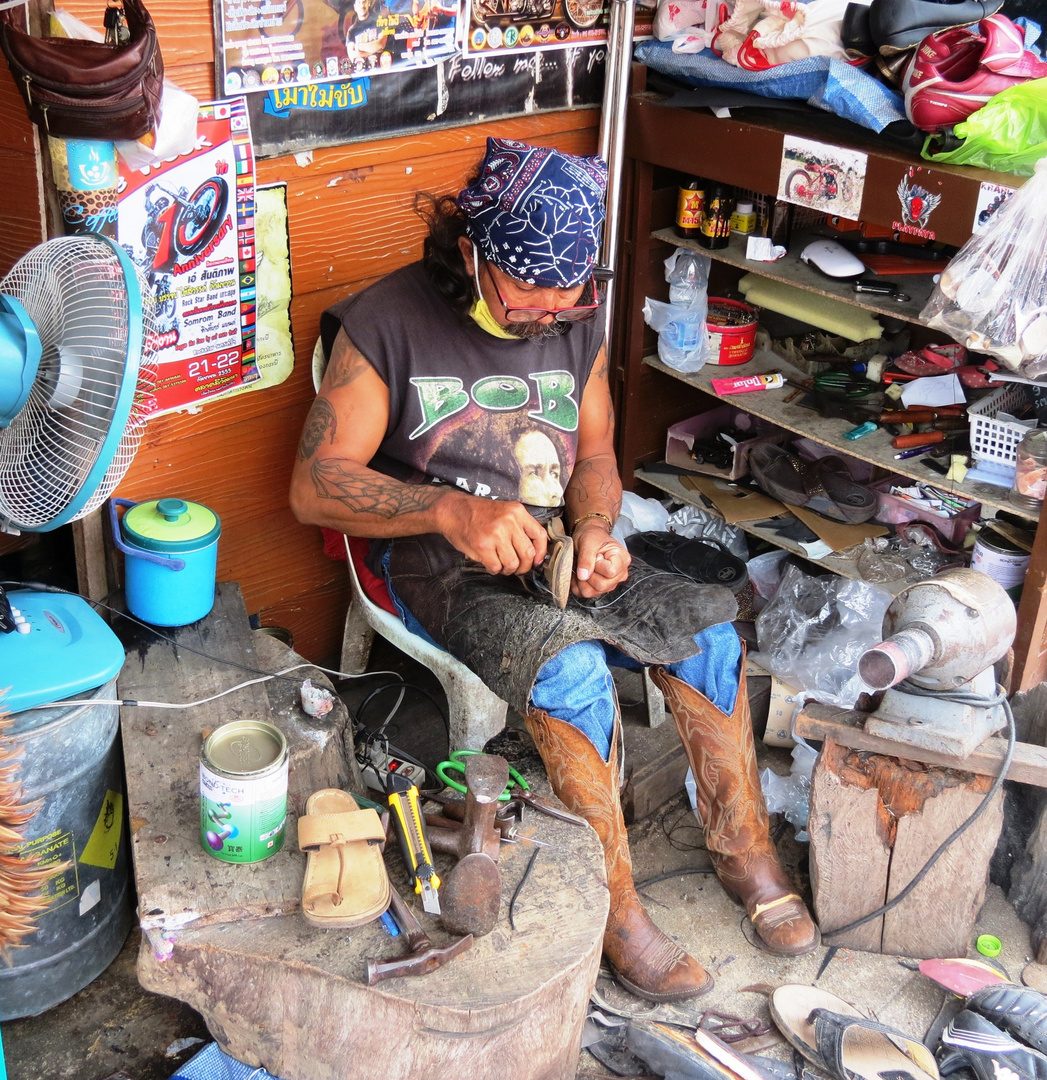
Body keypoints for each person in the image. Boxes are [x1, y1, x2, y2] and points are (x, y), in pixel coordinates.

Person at [290, 137, 819, 1002]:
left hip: (554, 551)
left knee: (709, 630)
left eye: (568, 294)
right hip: (437, 565)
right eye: (529, 293)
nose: (549, 313)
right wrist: (448, 510)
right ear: (472, 252)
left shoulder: (575, 317)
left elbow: (597, 453)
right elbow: (314, 486)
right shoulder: (385, 323)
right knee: (572, 669)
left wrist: (600, 529)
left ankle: (744, 851)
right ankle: (618, 913)